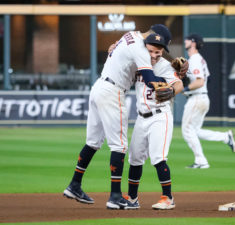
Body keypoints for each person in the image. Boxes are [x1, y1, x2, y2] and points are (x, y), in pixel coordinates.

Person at [63, 24, 178, 210]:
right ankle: (115, 196)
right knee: (119, 146)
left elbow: (116, 51)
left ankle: (75, 184)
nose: (157, 51)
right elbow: (149, 78)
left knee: (93, 142)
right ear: (154, 37)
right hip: (113, 91)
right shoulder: (141, 48)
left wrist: (175, 70)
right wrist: (167, 83)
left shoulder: (130, 35)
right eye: (159, 45)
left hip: (99, 86)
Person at [125, 33, 183, 210]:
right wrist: (113, 47)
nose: (154, 55)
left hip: (160, 116)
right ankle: (132, 198)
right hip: (141, 118)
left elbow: (179, 84)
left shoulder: (165, 66)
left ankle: (168, 197)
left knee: (158, 158)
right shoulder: (139, 62)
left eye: (158, 52)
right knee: (134, 158)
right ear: (145, 48)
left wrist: (172, 92)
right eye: (151, 51)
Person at [181, 33, 235, 169]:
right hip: (203, 97)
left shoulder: (194, 59)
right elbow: (208, 79)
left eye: (188, 39)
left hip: (197, 98)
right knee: (195, 130)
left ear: (193, 43)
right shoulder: (200, 59)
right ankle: (225, 137)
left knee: (187, 130)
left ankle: (201, 161)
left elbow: (200, 82)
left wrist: (184, 88)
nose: (185, 41)